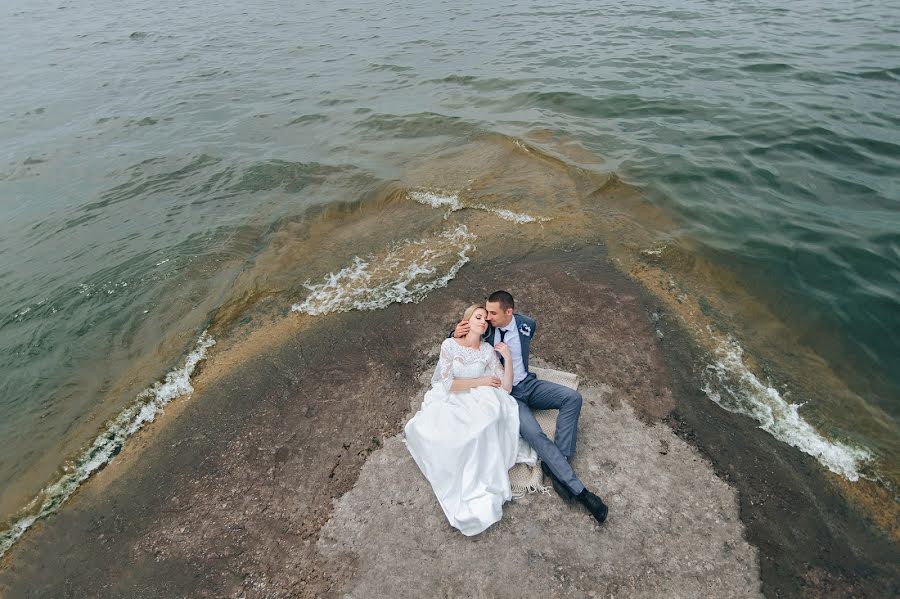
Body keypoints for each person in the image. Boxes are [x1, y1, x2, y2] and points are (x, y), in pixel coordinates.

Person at [453, 290, 608, 525]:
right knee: (534, 433)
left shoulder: (526, 325)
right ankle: (581, 492)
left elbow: (527, 335)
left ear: (509, 312)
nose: (488, 317)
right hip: (508, 396)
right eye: (486, 312)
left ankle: (556, 463)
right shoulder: (488, 329)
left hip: (529, 384)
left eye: (493, 313)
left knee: (572, 398)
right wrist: (455, 331)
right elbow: (462, 339)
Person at [404, 304, 535, 536]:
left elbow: (505, 387)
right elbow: (448, 384)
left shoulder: (486, 350)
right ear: (467, 320)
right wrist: (482, 381)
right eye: (478, 317)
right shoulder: (450, 345)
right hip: (453, 398)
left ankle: (480, 475)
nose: (483, 322)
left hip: (479, 398)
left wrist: (506, 357)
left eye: (486, 320)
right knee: (449, 437)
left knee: (485, 424)